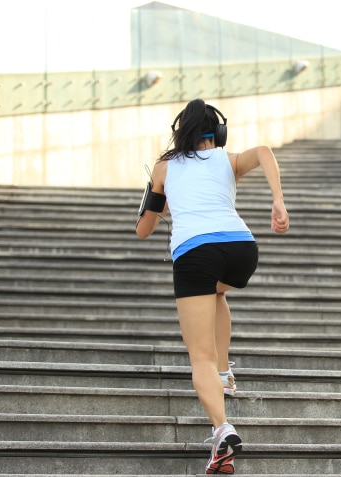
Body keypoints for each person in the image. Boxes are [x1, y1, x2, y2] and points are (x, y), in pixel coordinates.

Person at [135, 98, 289, 474]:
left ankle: (222, 431)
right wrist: (278, 202)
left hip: (195, 254)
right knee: (216, 290)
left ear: (179, 133)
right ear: (217, 133)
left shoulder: (164, 167)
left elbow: (143, 230)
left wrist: (158, 196)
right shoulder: (227, 159)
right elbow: (265, 152)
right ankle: (223, 372)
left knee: (197, 356)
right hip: (241, 249)